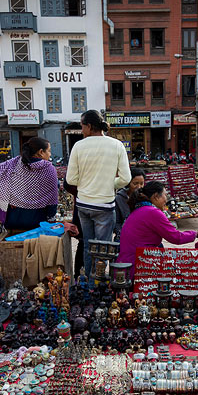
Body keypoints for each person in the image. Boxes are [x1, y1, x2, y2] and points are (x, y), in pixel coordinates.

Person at [65, 109, 131, 276]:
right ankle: (99, 281)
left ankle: (88, 279)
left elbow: (71, 180)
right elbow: (125, 179)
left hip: (84, 205)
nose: (81, 130)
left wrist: (86, 183)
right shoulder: (116, 145)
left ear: (89, 126)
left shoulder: (79, 146)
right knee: (102, 247)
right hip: (104, 206)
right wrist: (110, 184)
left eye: (82, 126)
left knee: (88, 244)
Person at [117, 181, 198, 280]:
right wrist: (197, 233)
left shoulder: (140, 209)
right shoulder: (152, 212)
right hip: (136, 266)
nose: (166, 199)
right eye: (165, 195)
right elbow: (176, 237)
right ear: (156, 196)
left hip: (126, 263)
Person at [0, 137, 59, 232]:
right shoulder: (48, 169)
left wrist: (6, 197)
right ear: (41, 152)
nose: (50, 154)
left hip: (13, 220)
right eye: (49, 151)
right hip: (38, 221)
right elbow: (52, 199)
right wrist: (51, 220)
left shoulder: (15, 164)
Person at [114, 168, 146, 241]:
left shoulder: (145, 198)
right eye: (135, 183)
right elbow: (117, 222)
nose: (139, 187)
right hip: (124, 235)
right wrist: (122, 233)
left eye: (142, 183)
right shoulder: (119, 199)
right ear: (128, 183)